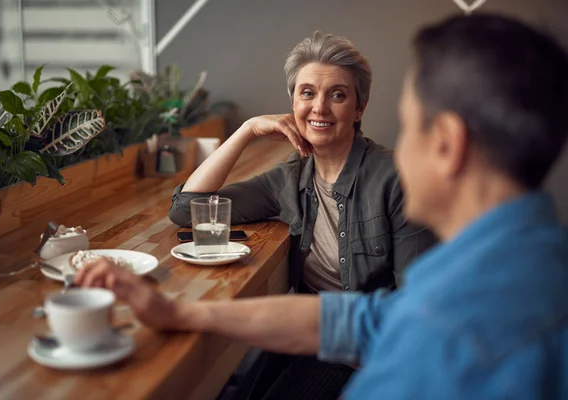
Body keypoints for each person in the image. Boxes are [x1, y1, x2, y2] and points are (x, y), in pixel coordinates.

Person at [76, 12, 568, 400]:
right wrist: (181, 313)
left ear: (445, 143)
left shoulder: (449, 332)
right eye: (307, 94)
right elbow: (361, 321)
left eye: (409, 124)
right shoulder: (516, 265)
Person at [167, 31, 436, 398]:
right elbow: (186, 209)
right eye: (307, 93)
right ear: (293, 102)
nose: (320, 108)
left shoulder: (396, 178)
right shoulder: (291, 176)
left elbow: (418, 308)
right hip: (308, 333)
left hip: (366, 355)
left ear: (359, 108)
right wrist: (247, 131)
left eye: (337, 95)